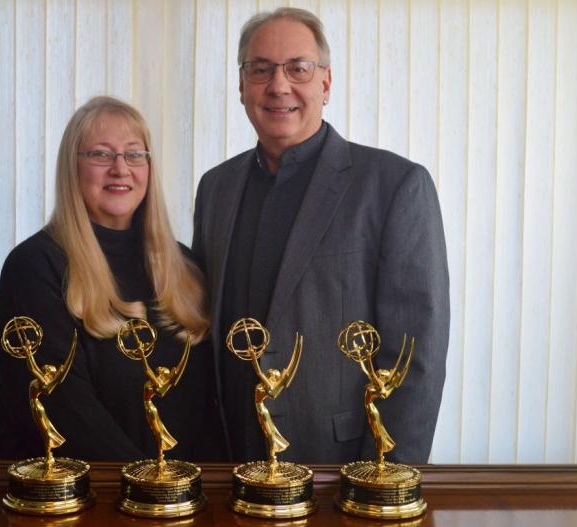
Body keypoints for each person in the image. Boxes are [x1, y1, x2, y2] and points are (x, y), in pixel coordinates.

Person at [192, 8, 450, 465]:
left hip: (339, 465)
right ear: (241, 85)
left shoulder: (393, 185)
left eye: (298, 68)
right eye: (261, 69)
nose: (279, 85)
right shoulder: (216, 188)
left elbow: (414, 359)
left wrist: (386, 482)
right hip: (229, 462)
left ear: (325, 84)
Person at [0, 96, 225, 463]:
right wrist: (145, 488)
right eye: (100, 154)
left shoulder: (184, 266)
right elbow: (65, 414)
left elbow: (204, 407)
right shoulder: (34, 267)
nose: (120, 168)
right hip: (67, 502)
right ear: (72, 169)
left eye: (134, 154)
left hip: (170, 504)